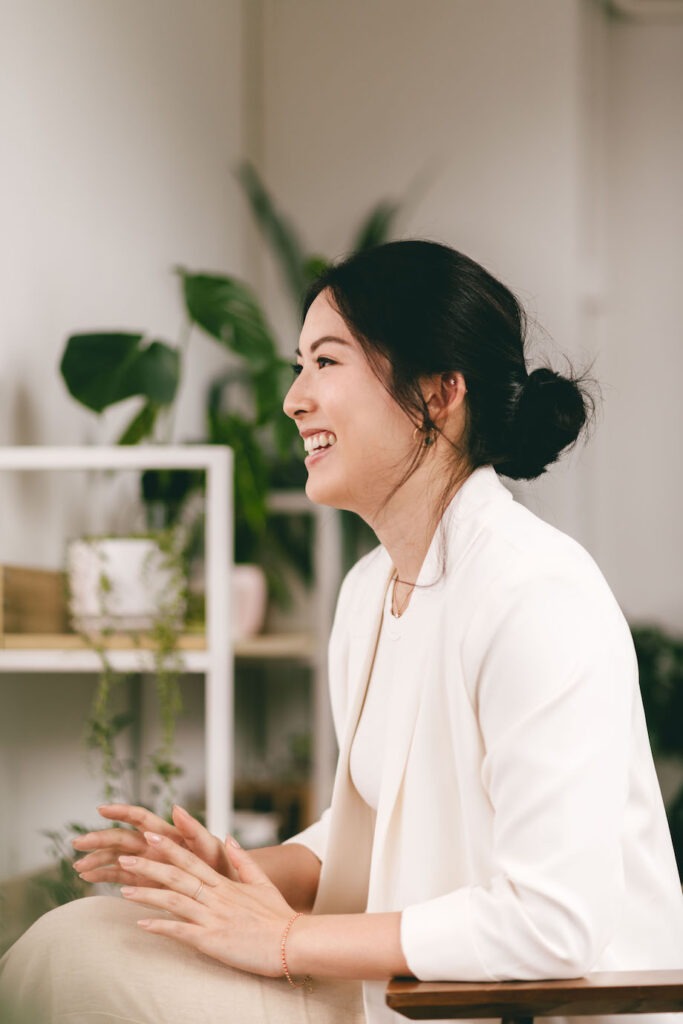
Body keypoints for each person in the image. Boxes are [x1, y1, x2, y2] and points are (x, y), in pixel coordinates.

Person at [1, 240, 681, 1024]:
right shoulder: (367, 592)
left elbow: (551, 924)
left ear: (436, 392)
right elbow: (361, 836)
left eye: (325, 362)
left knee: (79, 975)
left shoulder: (537, 595)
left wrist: (286, 941)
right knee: (76, 941)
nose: (293, 399)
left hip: (524, 1009)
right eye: (298, 365)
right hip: (399, 993)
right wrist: (216, 871)